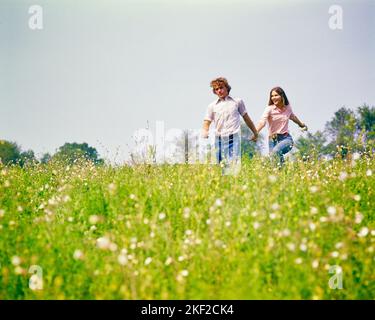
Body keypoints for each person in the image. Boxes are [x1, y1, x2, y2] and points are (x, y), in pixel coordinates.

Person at [202, 77, 258, 173]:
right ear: (214, 92)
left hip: (234, 137)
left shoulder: (237, 102)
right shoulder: (212, 106)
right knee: (221, 163)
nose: (219, 91)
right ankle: (226, 181)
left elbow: (246, 118)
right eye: (216, 89)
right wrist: (205, 131)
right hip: (219, 138)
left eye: (221, 88)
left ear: (227, 88)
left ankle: (233, 180)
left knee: (233, 162)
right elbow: (207, 121)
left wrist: (255, 132)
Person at [256, 86, 307, 166]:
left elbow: (293, 117)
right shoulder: (269, 109)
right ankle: (283, 174)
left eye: (276, 95)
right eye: (272, 96)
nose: (273, 98)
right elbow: (262, 122)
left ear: (282, 96)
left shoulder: (287, 108)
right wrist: (256, 132)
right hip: (272, 140)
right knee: (275, 164)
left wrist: (301, 124)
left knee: (275, 151)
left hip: (286, 139)